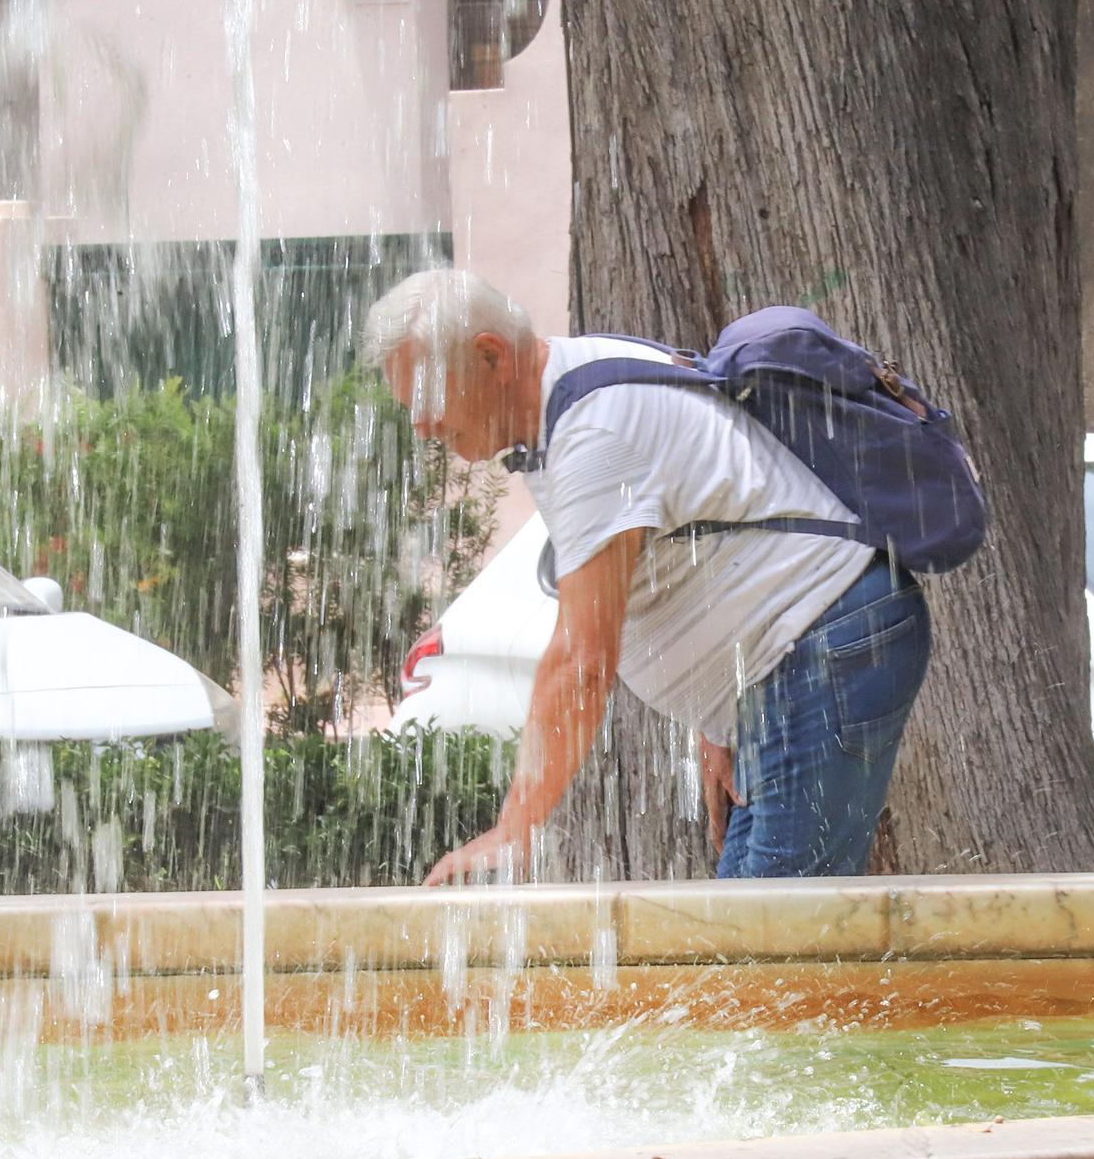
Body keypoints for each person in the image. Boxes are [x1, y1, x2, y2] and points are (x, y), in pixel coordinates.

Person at [361, 269, 931, 885]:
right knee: (751, 943)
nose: (421, 427)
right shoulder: (569, 397)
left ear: (490, 355)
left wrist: (514, 829)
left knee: (773, 949)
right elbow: (713, 521)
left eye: (425, 400)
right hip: (799, 661)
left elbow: (580, 660)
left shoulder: (593, 435)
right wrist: (722, 720)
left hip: (826, 650)